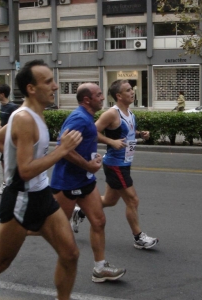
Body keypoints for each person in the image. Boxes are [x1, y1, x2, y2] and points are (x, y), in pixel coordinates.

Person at [0, 59, 82, 300]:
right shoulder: (24, 118)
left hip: (41, 194)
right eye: (48, 82)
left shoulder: (32, 114)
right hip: (21, 198)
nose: (55, 86)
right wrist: (61, 150)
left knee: (70, 254)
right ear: (31, 88)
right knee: (0, 262)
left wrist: (11, 160)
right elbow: (25, 171)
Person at [50, 82, 126, 283]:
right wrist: (88, 165)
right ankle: (16, 231)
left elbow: (83, 142)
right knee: (54, 228)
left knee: (99, 221)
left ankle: (100, 268)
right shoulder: (78, 118)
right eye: (99, 94)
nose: (102, 97)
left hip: (85, 181)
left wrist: (92, 159)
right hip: (67, 183)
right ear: (87, 99)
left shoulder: (87, 118)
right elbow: (62, 147)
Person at [71, 79, 159, 250]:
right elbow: (92, 132)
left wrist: (141, 134)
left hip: (125, 163)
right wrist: (111, 142)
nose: (132, 92)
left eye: (131, 89)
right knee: (132, 200)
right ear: (119, 96)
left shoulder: (129, 113)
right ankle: (138, 237)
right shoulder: (112, 113)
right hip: (115, 164)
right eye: (127, 90)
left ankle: (79, 211)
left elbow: (127, 134)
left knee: (110, 201)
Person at [0, 84, 19, 195]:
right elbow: (2, 120)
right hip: (4, 139)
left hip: (10, 140)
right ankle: (9, 182)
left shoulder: (12, 107)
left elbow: (16, 122)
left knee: (6, 161)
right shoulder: (3, 106)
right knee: (5, 161)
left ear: (2, 94)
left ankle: (6, 184)